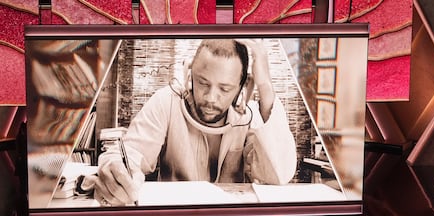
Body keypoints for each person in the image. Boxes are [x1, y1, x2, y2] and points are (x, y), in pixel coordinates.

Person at [92, 38, 297, 206]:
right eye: (202, 82)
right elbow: (130, 155)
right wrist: (114, 168)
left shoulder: (250, 117)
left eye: (225, 89)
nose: (210, 97)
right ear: (189, 77)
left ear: (241, 89)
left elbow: (277, 176)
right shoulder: (166, 102)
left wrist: (265, 86)